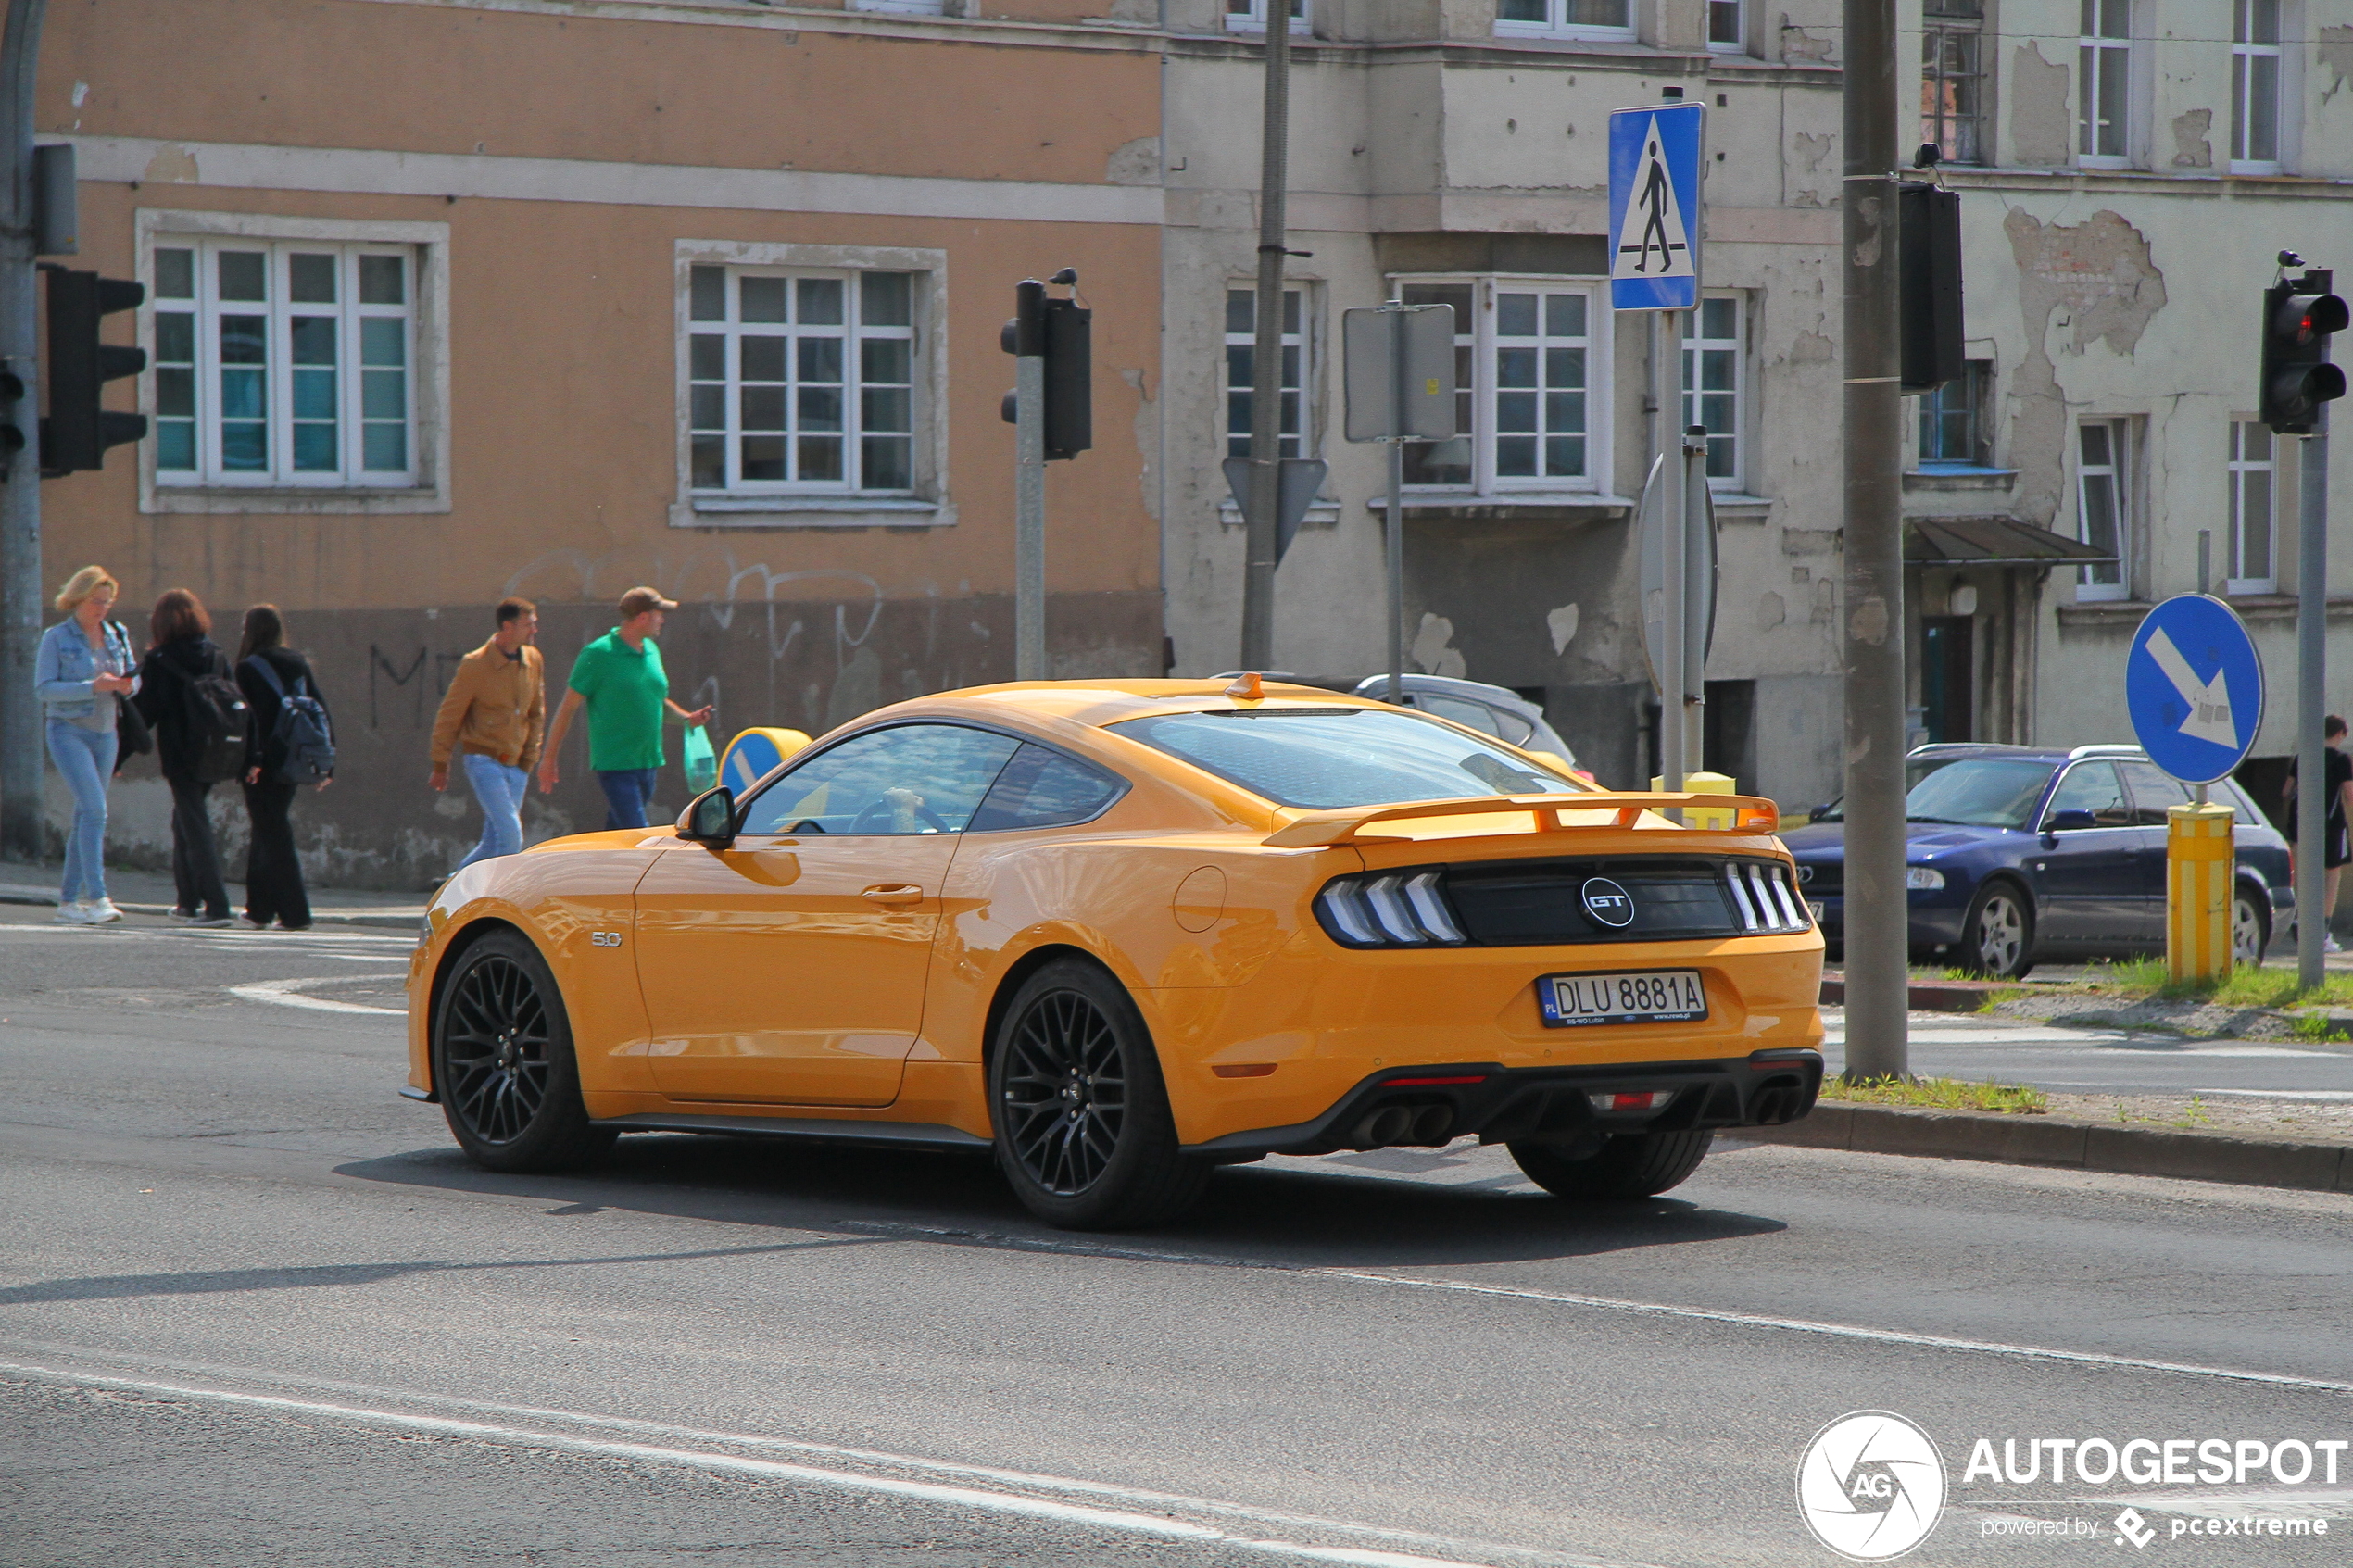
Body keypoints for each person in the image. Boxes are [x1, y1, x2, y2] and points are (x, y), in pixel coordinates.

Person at [536, 586, 712, 830]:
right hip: (616, 765)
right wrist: (548, 758)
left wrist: (687, 718)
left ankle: (602, 866)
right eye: (658, 614)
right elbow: (567, 708)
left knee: (619, 831)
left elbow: (656, 702)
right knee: (637, 831)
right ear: (642, 617)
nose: (662, 619)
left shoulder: (651, 650)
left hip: (649, 761)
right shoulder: (598, 654)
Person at [34, 566, 138, 924]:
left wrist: (127, 685)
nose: (102, 609)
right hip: (68, 731)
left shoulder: (116, 634)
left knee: (85, 815)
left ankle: (67, 902)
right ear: (78, 599)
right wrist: (91, 685)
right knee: (96, 810)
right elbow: (44, 689)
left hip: (107, 733)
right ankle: (98, 897)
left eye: (107, 602)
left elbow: (131, 677)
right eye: (96, 601)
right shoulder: (57, 637)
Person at [133, 588, 236, 927]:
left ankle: (217, 905)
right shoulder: (216, 654)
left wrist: (116, 757)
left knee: (194, 824)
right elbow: (235, 700)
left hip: (180, 753)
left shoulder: (161, 660)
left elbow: (143, 712)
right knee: (185, 821)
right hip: (216, 750)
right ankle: (187, 902)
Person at [235, 605, 333, 931]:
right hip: (294, 757)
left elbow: (253, 722)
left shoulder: (249, 667)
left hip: (264, 762)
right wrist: (326, 763)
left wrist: (252, 761)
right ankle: (259, 910)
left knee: (273, 832)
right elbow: (319, 709)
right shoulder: (298, 662)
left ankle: (295, 913)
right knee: (266, 829)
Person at [430, 596, 546, 870]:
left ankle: (450, 894)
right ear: (508, 626)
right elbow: (450, 715)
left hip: (517, 764)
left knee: (493, 843)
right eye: (528, 625)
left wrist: (530, 759)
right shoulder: (476, 665)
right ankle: (501, 901)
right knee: (510, 837)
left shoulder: (533, 659)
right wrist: (440, 762)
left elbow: (536, 712)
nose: (534, 630)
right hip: (484, 760)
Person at [2283, 715, 2353, 953]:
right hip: (2332, 825)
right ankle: (2322, 932)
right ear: (2341, 734)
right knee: (2332, 875)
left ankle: (2298, 919)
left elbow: (2286, 791)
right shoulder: (2341, 760)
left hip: (2300, 823)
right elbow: (2349, 794)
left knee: (2301, 871)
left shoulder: (2304, 757)